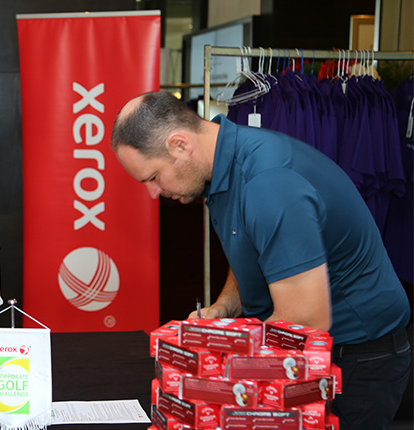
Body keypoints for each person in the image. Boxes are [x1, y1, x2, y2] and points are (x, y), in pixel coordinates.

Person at [111, 91, 411, 430]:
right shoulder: (221, 167)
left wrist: (218, 366)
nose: (154, 192)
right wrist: (224, 307)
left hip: (355, 358)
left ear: (179, 144)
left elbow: (306, 319)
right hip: (304, 348)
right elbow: (253, 247)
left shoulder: (268, 182)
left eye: (153, 177)